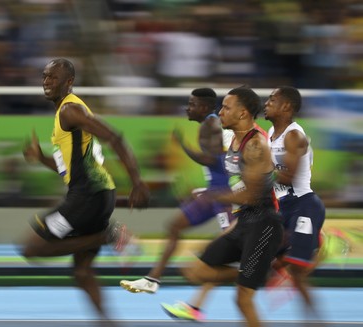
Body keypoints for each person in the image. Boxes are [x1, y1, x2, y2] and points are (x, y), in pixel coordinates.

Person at [20, 58, 150, 323]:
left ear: (69, 82)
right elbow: (68, 167)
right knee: (82, 272)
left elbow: (115, 137)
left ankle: (109, 236)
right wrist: (41, 158)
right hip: (97, 195)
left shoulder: (70, 111)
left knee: (31, 248)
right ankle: (107, 322)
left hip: (87, 197)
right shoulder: (64, 113)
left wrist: (137, 182)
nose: (46, 82)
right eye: (44, 76)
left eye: (53, 78)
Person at [120, 88, 232, 321]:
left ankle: (197, 306)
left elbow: (211, 159)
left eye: (191, 104)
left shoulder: (210, 126)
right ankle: (153, 280)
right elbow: (218, 164)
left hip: (226, 197)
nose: (187, 108)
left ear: (204, 107)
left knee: (226, 251)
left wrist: (183, 146)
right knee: (174, 226)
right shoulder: (210, 125)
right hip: (213, 193)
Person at [180, 86, 283, 327]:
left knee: (243, 299)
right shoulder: (235, 139)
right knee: (195, 271)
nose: (220, 111)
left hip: (263, 224)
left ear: (243, 113)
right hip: (245, 220)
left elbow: (252, 196)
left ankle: (255, 275)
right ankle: (261, 274)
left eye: (226, 107)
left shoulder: (256, 145)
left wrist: (212, 197)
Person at [264, 86, 326, 317]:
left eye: (272, 100)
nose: (266, 103)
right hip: (284, 208)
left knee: (298, 273)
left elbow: (287, 176)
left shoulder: (294, 135)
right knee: (263, 260)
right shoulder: (270, 134)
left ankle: (316, 322)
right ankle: (317, 243)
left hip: (304, 205)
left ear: (286, 107)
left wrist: (256, 174)